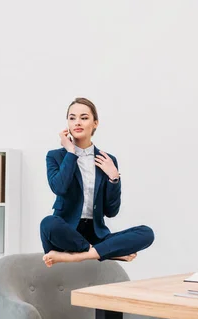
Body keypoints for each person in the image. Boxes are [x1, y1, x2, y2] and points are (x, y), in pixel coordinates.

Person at [40, 97, 155, 267]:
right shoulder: (56, 156)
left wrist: (114, 178)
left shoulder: (108, 160)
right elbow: (59, 187)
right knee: (47, 223)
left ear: (95, 123)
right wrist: (71, 152)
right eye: (72, 118)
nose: (77, 122)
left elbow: (111, 211)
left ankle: (76, 256)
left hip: (96, 233)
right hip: (66, 233)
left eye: (84, 118)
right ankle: (104, 252)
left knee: (147, 233)